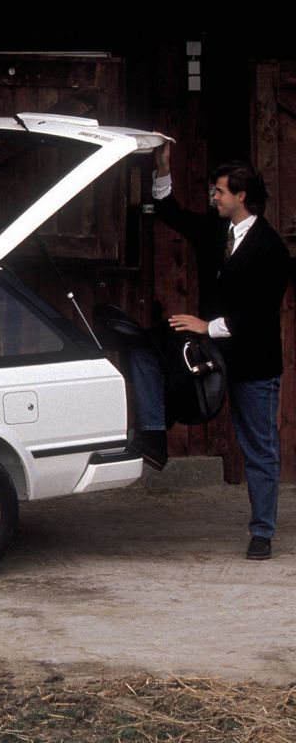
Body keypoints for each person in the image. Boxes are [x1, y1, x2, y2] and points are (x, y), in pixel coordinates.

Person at [127, 142, 288, 560]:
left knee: (258, 447)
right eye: (213, 190)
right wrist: (162, 168)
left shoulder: (271, 248)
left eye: (219, 191)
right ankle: (153, 436)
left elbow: (259, 315)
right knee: (142, 344)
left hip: (253, 363)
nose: (212, 197)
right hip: (209, 359)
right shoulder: (216, 231)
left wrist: (207, 326)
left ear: (241, 197)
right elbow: (170, 212)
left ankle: (262, 533)